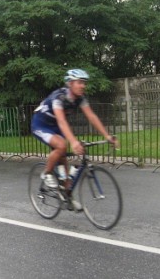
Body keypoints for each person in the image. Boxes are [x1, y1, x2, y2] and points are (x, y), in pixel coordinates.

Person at [31, 68, 119, 209]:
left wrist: (107, 136)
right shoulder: (59, 97)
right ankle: (46, 174)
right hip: (40, 124)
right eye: (80, 82)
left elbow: (91, 116)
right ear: (70, 83)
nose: (83, 86)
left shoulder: (80, 98)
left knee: (64, 160)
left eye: (84, 83)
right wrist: (73, 141)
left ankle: (67, 197)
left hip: (55, 126)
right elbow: (61, 121)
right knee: (61, 145)